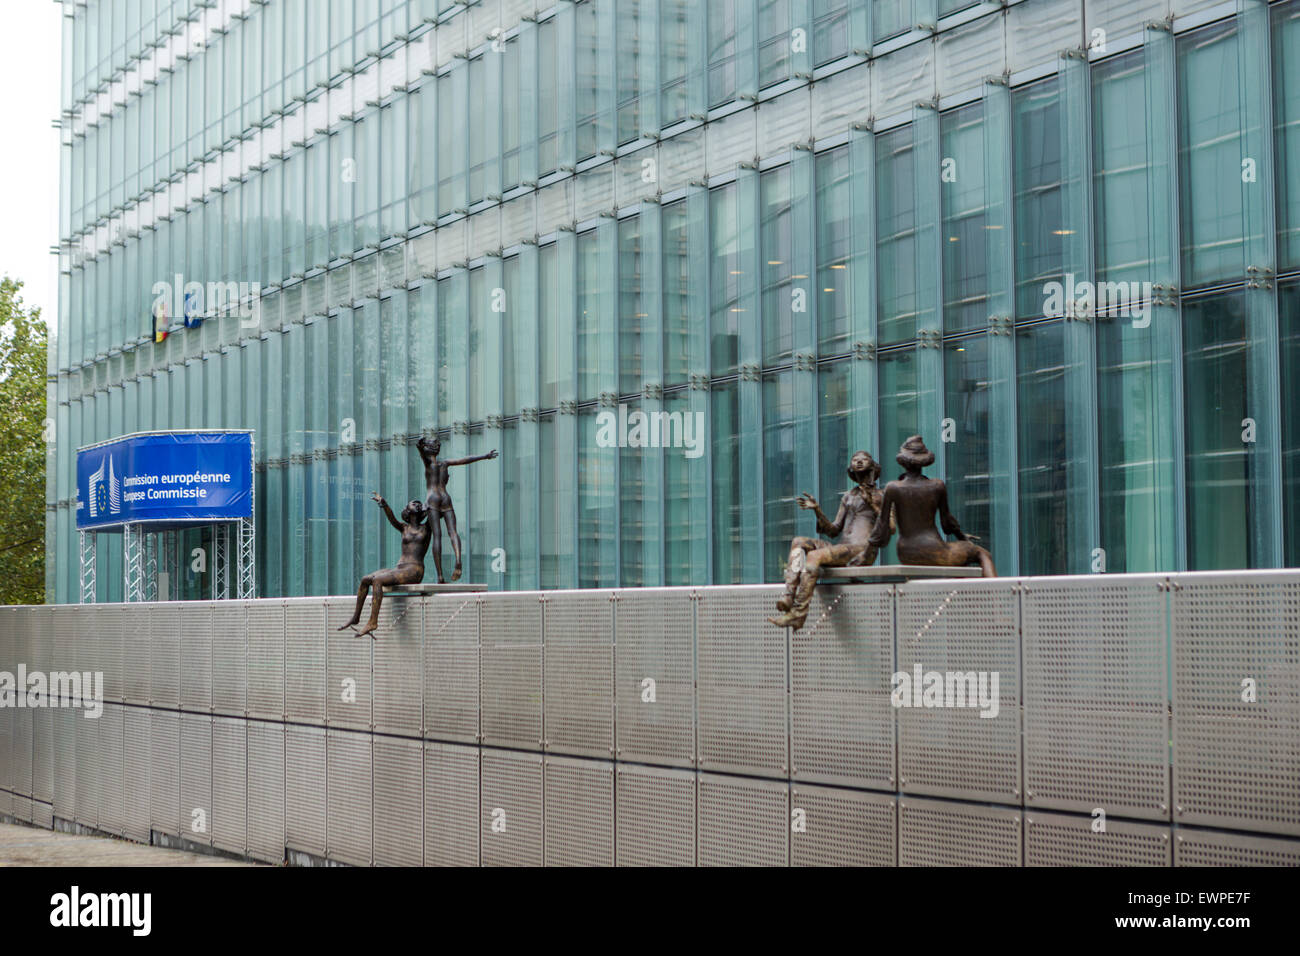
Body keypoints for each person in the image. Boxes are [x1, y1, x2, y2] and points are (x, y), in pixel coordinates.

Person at [768, 450, 890, 631]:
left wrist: (872, 503)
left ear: (873, 466)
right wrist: (817, 510)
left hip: (860, 549)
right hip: (842, 547)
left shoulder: (882, 495)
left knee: (814, 557)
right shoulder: (848, 496)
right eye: (855, 459)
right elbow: (833, 530)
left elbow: (891, 526)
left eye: (863, 459)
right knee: (798, 541)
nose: (858, 461)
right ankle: (788, 595)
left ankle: (798, 613)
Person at [867, 435, 996, 576]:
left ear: (903, 462)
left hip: (906, 552)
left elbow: (881, 525)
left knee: (959, 565)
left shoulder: (893, 487)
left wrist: (866, 553)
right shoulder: (936, 486)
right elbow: (947, 523)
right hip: (934, 550)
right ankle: (998, 596)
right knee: (981, 553)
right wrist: (962, 537)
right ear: (924, 462)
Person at [338, 493, 431, 638]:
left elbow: (437, 509)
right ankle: (356, 617)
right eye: (414, 503)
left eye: (419, 504)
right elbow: (392, 518)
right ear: (407, 510)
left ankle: (373, 621)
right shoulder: (404, 528)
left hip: (414, 570)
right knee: (365, 579)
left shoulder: (427, 528)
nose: (417, 503)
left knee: (378, 580)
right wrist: (384, 504)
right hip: (400, 568)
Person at [416, 436, 498, 583]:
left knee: (437, 536)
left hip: (433, 498)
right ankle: (458, 560)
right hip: (445, 497)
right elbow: (465, 459)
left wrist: (419, 445)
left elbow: (421, 452)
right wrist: (485, 456)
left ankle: (440, 576)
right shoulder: (445, 463)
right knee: (453, 532)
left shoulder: (429, 463)